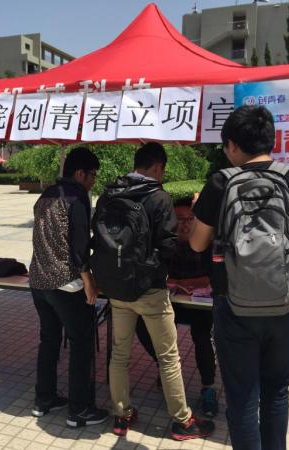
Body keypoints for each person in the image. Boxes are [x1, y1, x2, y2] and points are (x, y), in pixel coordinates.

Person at [190, 105, 289, 450]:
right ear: (270, 139)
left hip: (233, 303)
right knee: (276, 390)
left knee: (242, 396)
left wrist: (202, 208)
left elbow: (197, 243)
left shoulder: (220, 182)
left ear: (232, 144)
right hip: (284, 300)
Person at [101, 143, 214, 440]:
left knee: (120, 354)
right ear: (158, 167)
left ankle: (121, 415)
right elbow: (168, 245)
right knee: (169, 357)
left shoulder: (110, 193)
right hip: (149, 290)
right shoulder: (158, 196)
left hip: (116, 287)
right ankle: (182, 421)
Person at [28, 147, 108, 428]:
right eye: (92, 175)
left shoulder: (45, 194)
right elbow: (79, 245)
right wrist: (89, 282)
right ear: (79, 173)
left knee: (49, 340)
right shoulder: (77, 196)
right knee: (81, 343)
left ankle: (44, 399)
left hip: (38, 281)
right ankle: (79, 410)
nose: (93, 181)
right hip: (66, 283)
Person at [135, 197, 218, 417]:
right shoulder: (164, 242)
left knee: (203, 337)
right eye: (179, 219)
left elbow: (210, 278)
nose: (185, 224)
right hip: (170, 303)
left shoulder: (206, 244)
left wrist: (180, 282)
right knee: (141, 323)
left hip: (199, 306)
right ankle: (166, 367)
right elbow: (156, 274)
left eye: (190, 219)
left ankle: (208, 387)